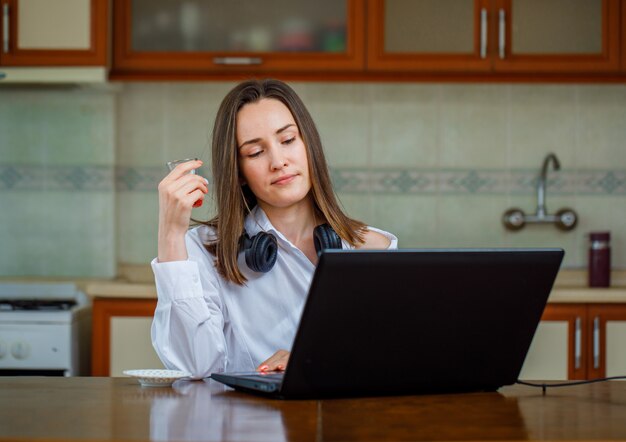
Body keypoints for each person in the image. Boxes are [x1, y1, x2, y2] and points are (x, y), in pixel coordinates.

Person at [152, 79, 398, 379]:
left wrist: (311, 360)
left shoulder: (371, 247)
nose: (279, 162)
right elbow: (193, 367)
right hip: (240, 423)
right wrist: (170, 235)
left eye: (288, 140)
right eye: (255, 152)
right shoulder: (201, 250)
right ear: (239, 172)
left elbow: (387, 362)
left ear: (310, 145)